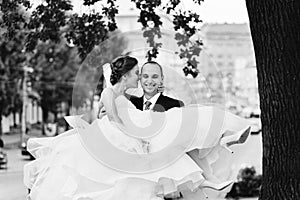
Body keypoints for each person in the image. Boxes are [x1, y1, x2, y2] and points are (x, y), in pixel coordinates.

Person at [24, 55, 251, 200]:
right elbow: (113, 120)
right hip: (133, 135)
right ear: (126, 75)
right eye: (136, 74)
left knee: (185, 125)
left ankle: (223, 140)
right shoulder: (112, 94)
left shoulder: (124, 95)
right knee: (180, 132)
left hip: (144, 129)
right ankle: (218, 149)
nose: (139, 79)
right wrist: (137, 137)